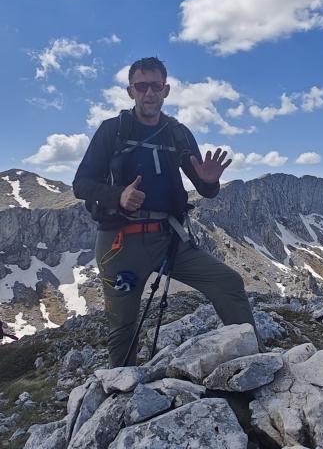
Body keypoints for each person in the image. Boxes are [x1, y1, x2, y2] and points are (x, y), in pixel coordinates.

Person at [73, 56, 263, 366]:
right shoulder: (112, 130)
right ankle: (121, 386)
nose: (149, 93)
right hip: (120, 243)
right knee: (123, 327)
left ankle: (254, 364)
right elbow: (81, 184)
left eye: (156, 86)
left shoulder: (178, 133)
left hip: (169, 239)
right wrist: (119, 195)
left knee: (227, 282)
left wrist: (209, 182)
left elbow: (205, 189)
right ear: (130, 91)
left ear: (166, 90)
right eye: (141, 86)